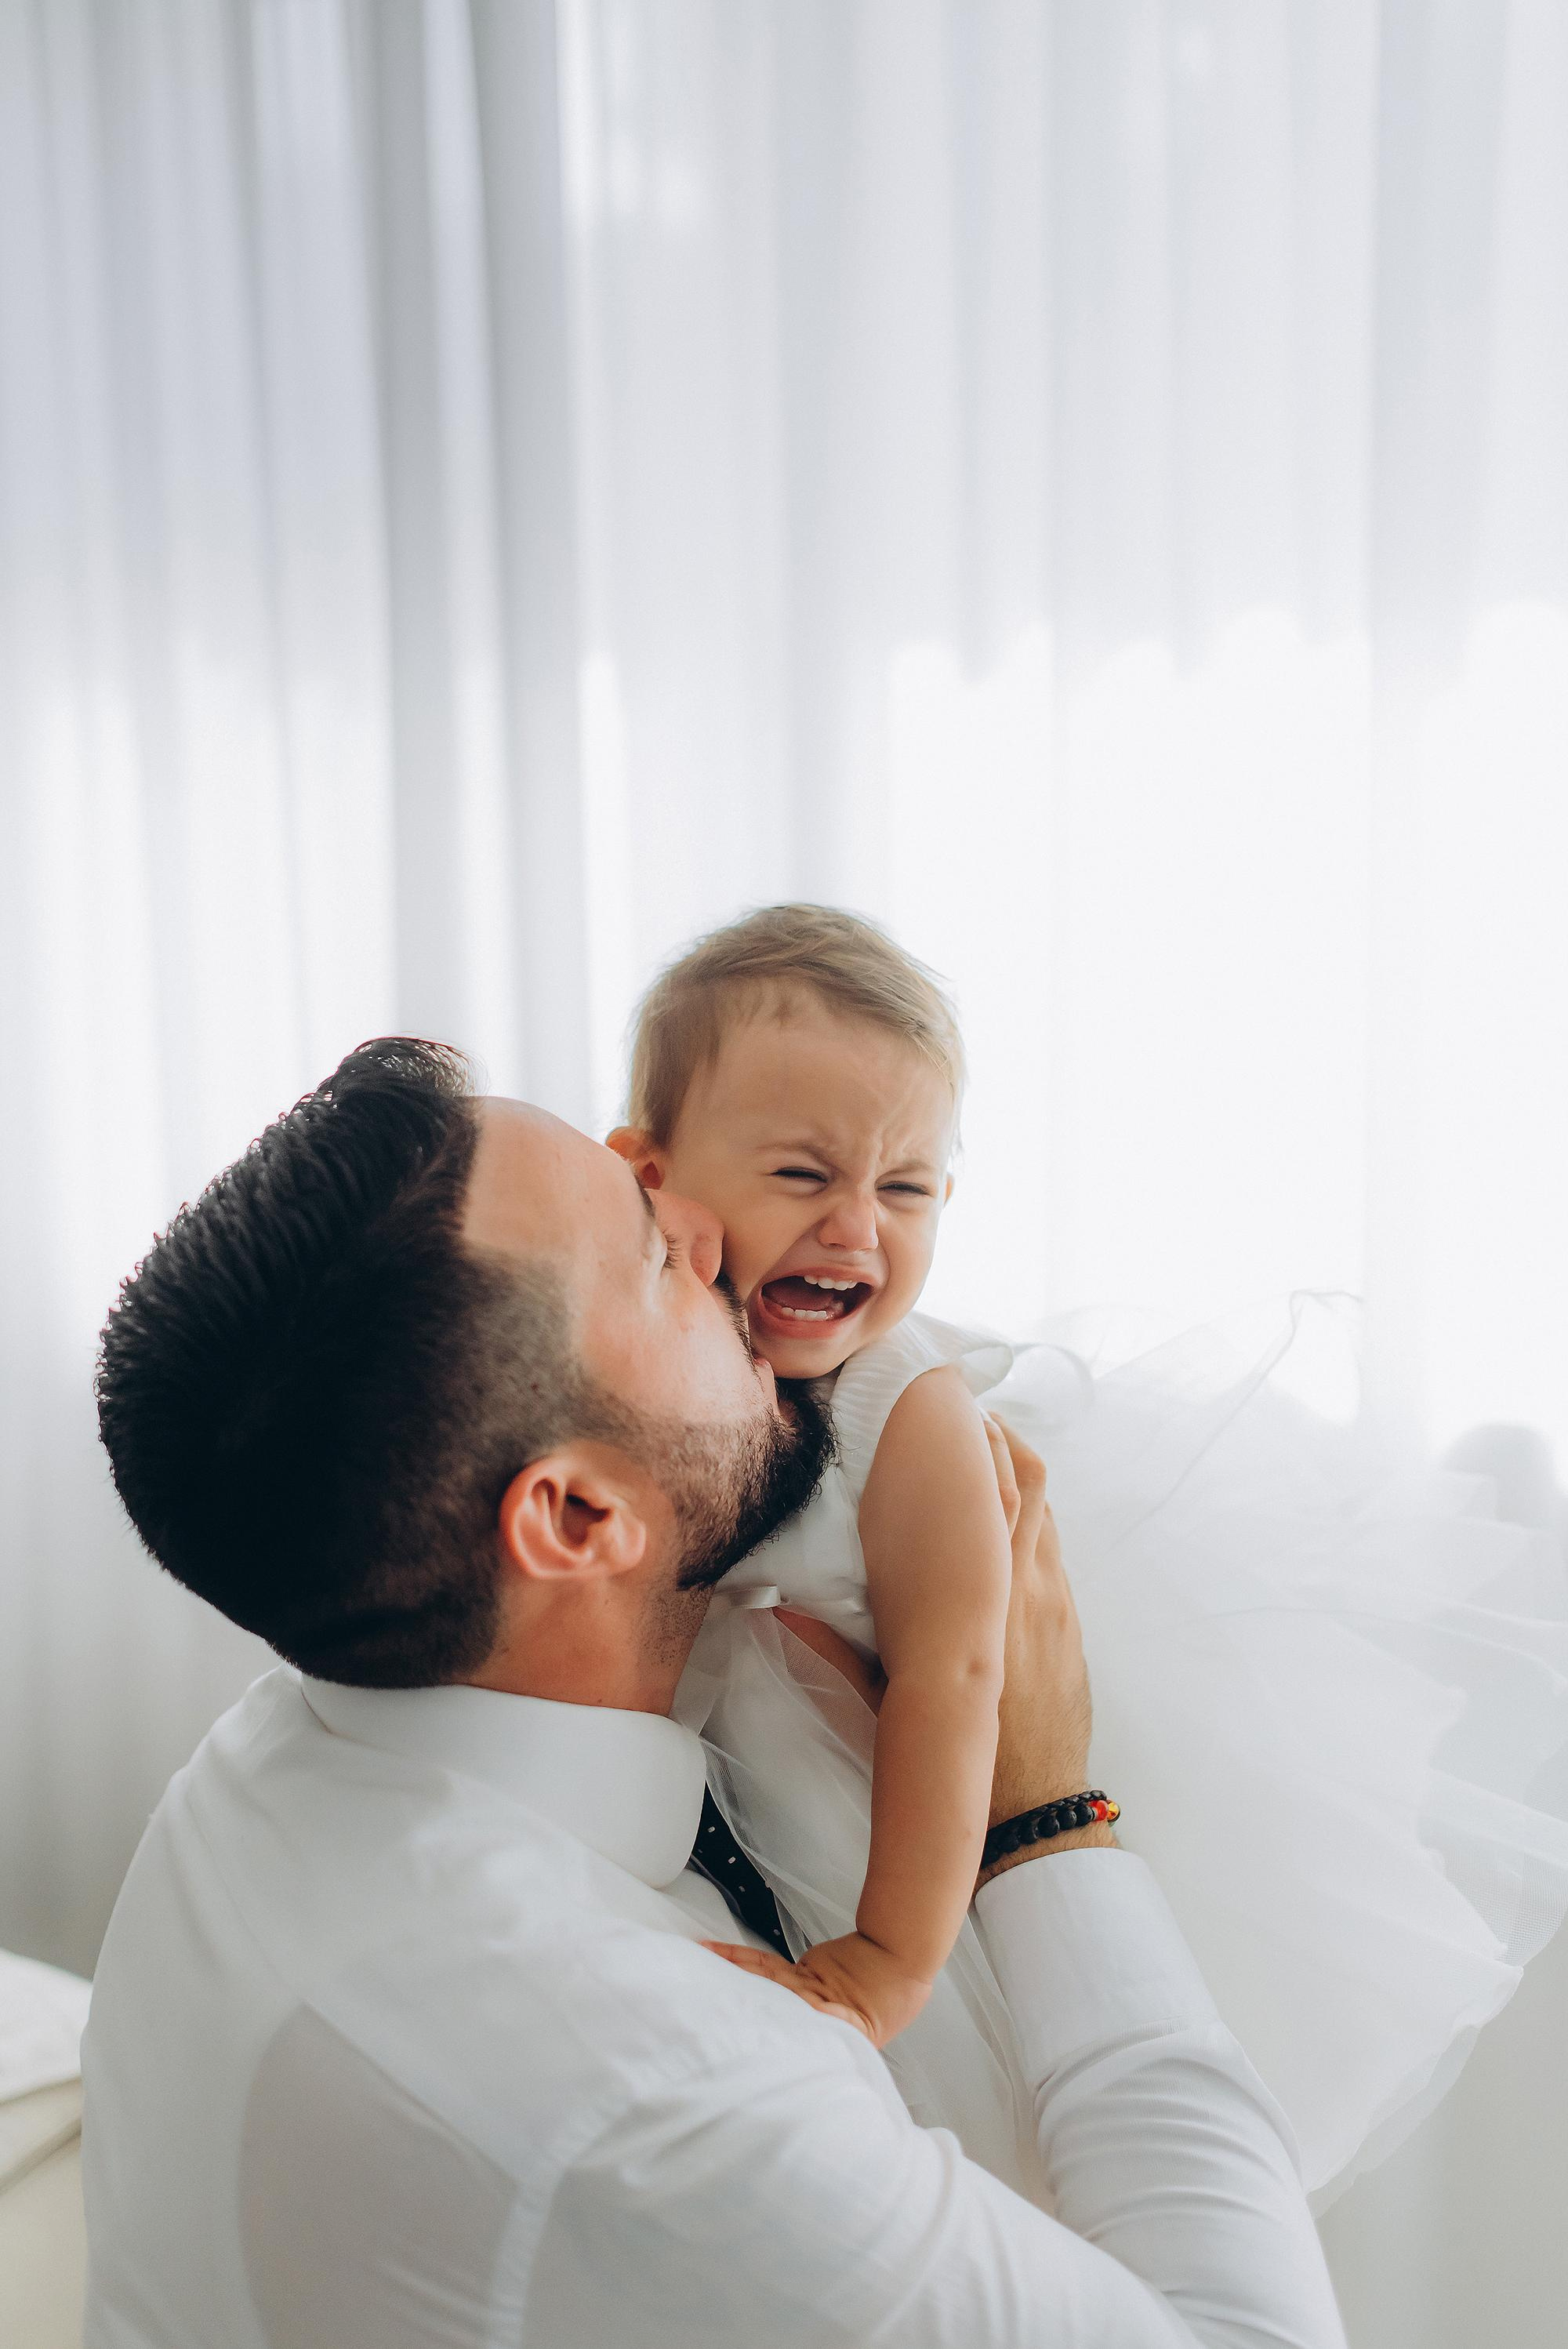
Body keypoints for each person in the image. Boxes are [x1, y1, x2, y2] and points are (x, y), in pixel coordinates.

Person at [83, 1035, 1346, 2348]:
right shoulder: (651, 2090)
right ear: (576, 1517)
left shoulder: (271, 1757)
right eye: (651, 1252)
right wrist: (1042, 1822)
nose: (705, 1220)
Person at [611, 904, 1568, 2202]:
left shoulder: (907, 1411)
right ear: (649, 1172)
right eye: (801, 1175)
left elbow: (958, 1680)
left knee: (964, 2147)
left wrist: (887, 1961)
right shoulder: (649, 1357)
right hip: (736, 1793)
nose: (856, 1230)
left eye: (906, 1190)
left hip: (914, 1826)